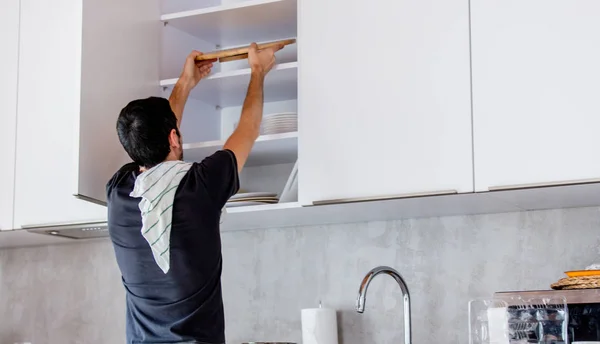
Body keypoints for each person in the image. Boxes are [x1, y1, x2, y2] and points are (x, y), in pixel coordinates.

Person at [106, 42, 283, 344]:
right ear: (174, 137)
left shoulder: (119, 193)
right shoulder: (199, 186)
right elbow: (248, 129)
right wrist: (258, 70)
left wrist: (186, 83)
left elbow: (155, 142)